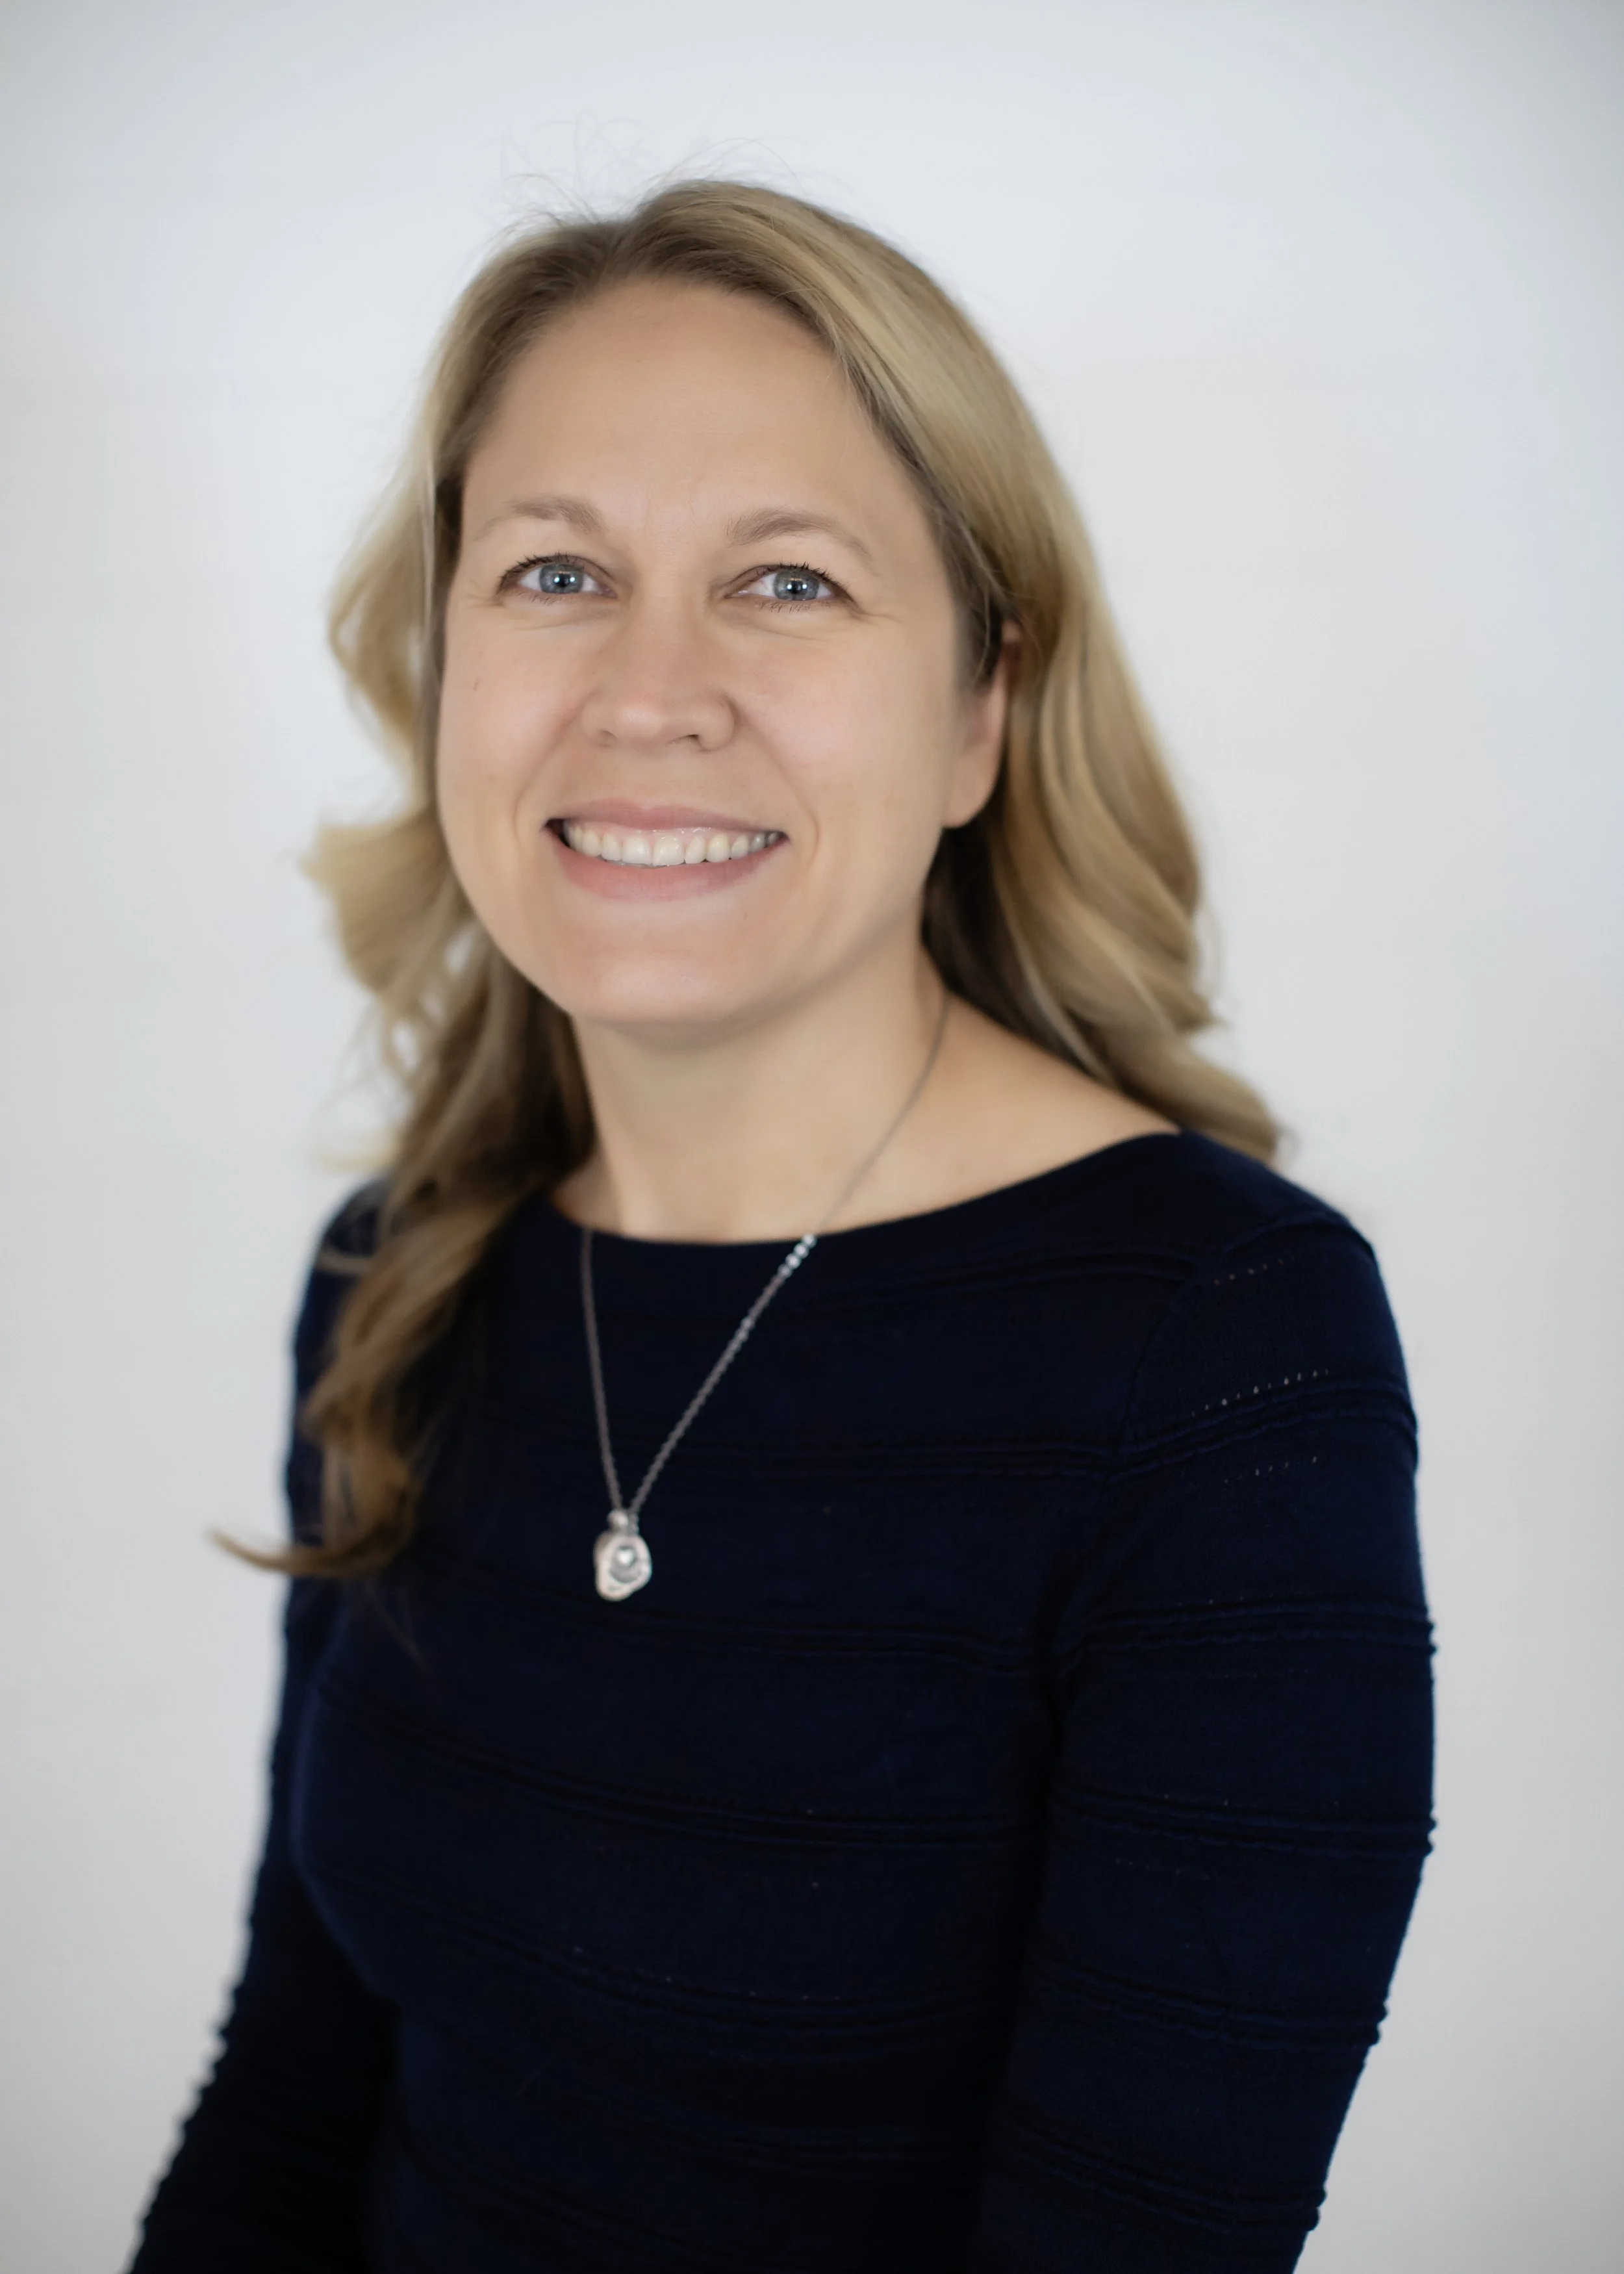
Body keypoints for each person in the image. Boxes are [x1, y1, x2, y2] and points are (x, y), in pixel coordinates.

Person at [129, 180, 1433, 2274]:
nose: (650, 692)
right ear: (446, 654)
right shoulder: (407, 1273)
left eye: (788, 583)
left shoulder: (1215, 1345)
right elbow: (295, 2082)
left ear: (981, 709)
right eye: (556, 569)